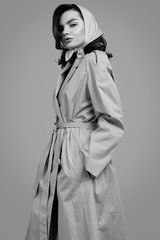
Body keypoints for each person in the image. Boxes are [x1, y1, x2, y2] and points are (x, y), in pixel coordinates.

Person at [25, 4, 128, 240]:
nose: (65, 32)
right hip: (60, 155)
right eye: (61, 27)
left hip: (79, 159)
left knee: (79, 227)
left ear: (88, 26)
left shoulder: (95, 61)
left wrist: (86, 164)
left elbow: (113, 121)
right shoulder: (74, 65)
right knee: (57, 224)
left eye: (73, 24)